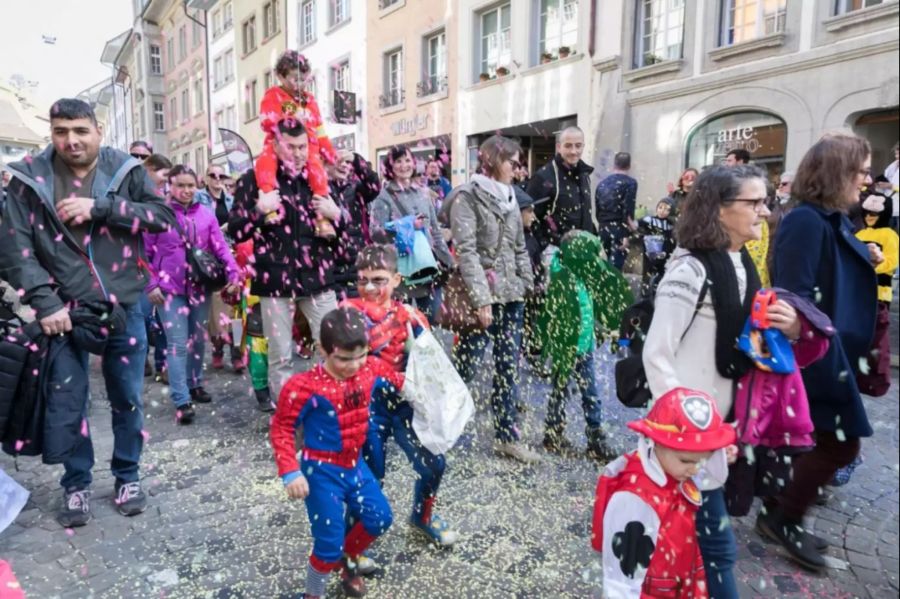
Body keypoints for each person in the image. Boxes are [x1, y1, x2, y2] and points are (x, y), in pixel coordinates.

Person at [0, 98, 176, 527]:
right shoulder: (30, 178)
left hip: (125, 307)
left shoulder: (125, 170)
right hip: (64, 313)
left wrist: (100, 208)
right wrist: (46, 302)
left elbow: (161, 218)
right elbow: (16, 249)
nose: (71, 140)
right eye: (61, 131)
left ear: (98, 130)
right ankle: (76, 483)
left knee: (127, 398)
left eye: (80, 131)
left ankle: (127, 475)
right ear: (51, 132)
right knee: (68, 401)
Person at [642, 165, 801, 598]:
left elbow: (744, 345)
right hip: (687, 439)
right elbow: (657, 354)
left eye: (765, 202)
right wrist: (685, 432)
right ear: (720, 208)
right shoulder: (690, 270)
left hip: (718, 433)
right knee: (714, 547)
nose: (765, 212)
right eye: (754, 202)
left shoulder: (743, 262)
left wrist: (786, 327)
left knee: (693, 545)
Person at [759, 132, 881, 571]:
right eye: (861, 171)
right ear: (836, 173)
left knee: (817, 440)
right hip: (816, 355)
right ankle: (784, 517)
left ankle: (779, 510)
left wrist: (861, 253)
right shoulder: (804, 220)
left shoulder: (831, 218)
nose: (866, 181)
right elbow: (793, 293)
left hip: (833, 350)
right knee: (839, 444)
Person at [270, 308, 400, 598]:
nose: (354, 365)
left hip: (355, 466)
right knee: (327, 546)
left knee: (379, 518)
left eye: (361, 355)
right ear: (322, 350)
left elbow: (399, 381)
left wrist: (428, 390)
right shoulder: (303, 387)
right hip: (321, 473)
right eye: (343, 358)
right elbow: (281, 429)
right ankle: (313, 593)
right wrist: (290, 471)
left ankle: (347, 559)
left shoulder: (372, 368)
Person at [342, 245, 458, 547]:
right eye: (362, 279)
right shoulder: (346, 316)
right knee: (370, 475)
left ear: (396, 279)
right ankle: (352, 541)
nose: (369, 287)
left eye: (378, 279)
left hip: (406, 407)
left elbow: (431, 364)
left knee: (433, 465)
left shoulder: (411, 317)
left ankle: (422, 517)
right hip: (367, 407)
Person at [228, 118, 343, 399]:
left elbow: (344, 233)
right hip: (274, 278)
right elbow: (236, 230)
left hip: (317, 275)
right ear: (276, 145)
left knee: (331, 346)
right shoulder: (254, 180)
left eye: (303, 146)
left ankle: (327, 405)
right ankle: (287, 414)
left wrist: (336, 215)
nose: (298, 153)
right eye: (291, 147)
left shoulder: (318, 176)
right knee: (281, 356)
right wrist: (259, 210)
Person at [442, 135, 538, 463]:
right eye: (512, 161)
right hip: (480, 297)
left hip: (511, 295)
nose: (518, 168)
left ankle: (506, 437)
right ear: (494, 161)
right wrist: (482, 300)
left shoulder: (511, 196)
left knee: (508, 368)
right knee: (466, 367)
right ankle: (440, 427)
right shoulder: (467, 197)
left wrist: (526, 283)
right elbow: (466, 251)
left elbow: (518, 246)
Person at [592, 388, 737, 599]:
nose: (695, 470)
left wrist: (718, 453)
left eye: (702, 460)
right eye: (687, 461)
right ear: (656, 441)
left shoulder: (673, 468)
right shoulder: (635, 498)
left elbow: (704, 472)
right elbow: (621, 581)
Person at [144, 165, 241, 422]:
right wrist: (150, 284)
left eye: (190, 185)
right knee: (177, 343)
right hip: (169, 289)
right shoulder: (158, 215)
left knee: (197, 340)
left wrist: (233, 272)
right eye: (181, 185)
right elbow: (144, 254)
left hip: (200, 286)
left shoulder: (207, 215)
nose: (186, 190)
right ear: (170, 186)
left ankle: (195, 382)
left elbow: (221, 248)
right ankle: (181, 398)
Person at [538, 231, 631, 459]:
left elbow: (588, 308)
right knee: (561, 391)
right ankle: (553, 433)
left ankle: (595, 437)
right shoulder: (561, 278)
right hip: (567, 348)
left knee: (590, 393)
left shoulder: (582, 275)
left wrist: (599, 330)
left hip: (585, 345)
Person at [255, 50, 335, 236]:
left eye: (303, 79)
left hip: (309, 147)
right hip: (279, 144)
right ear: (280, 76)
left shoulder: (310, 100)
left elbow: (320, 129)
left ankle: (321, 218)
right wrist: (288, 117)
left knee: (318, 173)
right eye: (294, 78)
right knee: (265, 163)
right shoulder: (273, 95)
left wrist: (330, 154)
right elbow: (265, 121)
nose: (299, 84)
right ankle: (269, 203)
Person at [370, 145, 453, 323]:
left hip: (427, 267)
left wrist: (449, 261)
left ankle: (427, 351)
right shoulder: (384, 197)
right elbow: (375, 232)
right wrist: (405, 225)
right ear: (390, 167)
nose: (404, 165)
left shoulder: (423, 193)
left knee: (431, 324)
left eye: (407, 160)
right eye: (398, 161)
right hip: (401, 270)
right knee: (401, 327)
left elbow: (435, 232)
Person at [196, 164, 242, 373]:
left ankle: (237, 351)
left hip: (233, 256)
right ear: (205, 178)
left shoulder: (231, 201)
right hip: (209, 260)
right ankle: (217, 348)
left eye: (220, 175)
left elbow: (241, 227)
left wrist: (230, 227)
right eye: (212, 175)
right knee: (217, 307)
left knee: (237, 308)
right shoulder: (198, 199)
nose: (216, 179)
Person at [526, 126, 596, 248]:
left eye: (578, 145)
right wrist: (547, 248)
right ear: (559, 147)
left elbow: (586, 215)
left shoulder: (584, 174)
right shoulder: (543, 177)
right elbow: (529, 218)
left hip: (583, 252)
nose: (574, 151)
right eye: (568, 146)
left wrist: (595, 240)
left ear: (583, 146)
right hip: (556, 255)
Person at [330, 151, 382, 300]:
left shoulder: (356, 189)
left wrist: (356, 159)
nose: (343, 165)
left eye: (347, 163)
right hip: (330, 268)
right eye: (337, 161)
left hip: (355, 264)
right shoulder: (318, 189)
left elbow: (373, 184)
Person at [595, 152, 638, 271]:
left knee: (605, 264)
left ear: (614, 164)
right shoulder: (630, 183)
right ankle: (612, 288)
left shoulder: (602, 184)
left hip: (603, 227)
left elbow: (597, 209)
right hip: (619, 228)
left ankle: (603, 288)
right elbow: (628, 209)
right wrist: (628, 232)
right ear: (629, 166)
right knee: (616, 267)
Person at [637, 198, 675, 295]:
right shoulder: (649, 220)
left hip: (664, 254)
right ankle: (644, 294)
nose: (662, 211)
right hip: (650, 252)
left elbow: (672, 240)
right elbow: (637, 225)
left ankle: (659, 292)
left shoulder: (671, 225)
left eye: (666, 209)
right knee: (648, 273)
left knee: (662, 273)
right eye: (660, 207)